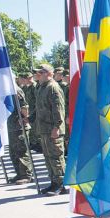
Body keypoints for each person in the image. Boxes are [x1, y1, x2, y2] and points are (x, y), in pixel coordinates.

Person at [33, 63, 68, 195]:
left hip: (53, 129)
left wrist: (57, 127)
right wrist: (29, 118)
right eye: (37, 73)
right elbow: (39, 108)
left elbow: (58, 109)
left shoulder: (53, 87)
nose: (37, 75)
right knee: (48, 157)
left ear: (48, 74)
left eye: (40, 73)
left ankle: (62, 184)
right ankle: (53, 182)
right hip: (44, 128)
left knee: (56, 157)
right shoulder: (42, 87)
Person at [7, 74, 33, 184]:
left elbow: (24, 107)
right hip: (11, 126)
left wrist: (24, 120)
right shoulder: (6, 91)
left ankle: (26, 175)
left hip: (19, 126)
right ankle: (19, 173)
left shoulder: (16, 90)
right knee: (13, 152)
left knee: (22, 151)